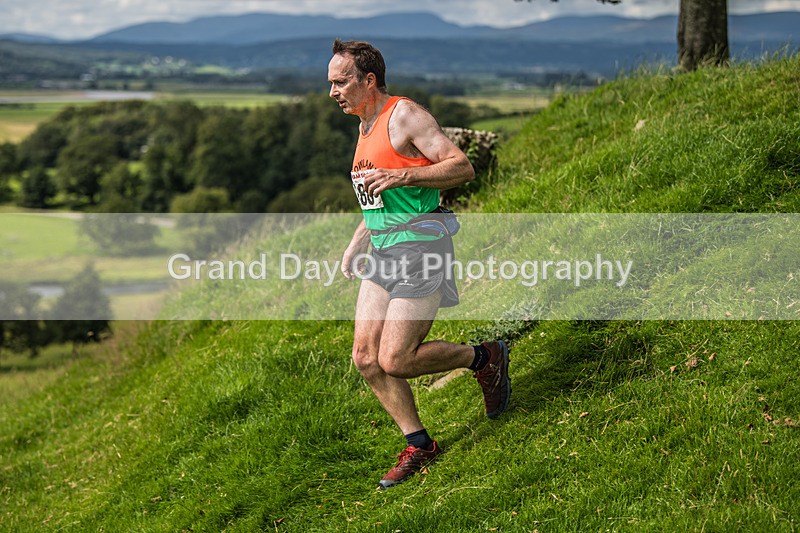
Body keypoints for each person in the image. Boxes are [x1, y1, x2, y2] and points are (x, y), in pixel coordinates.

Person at [328, 39, 511, 489]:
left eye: (340, 81)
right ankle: (420, 444)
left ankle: (485, 358)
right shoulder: (364, 122)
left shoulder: (404, 115)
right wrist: (357, 241)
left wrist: (404, 173)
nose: (332, 91)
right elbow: (379, 197)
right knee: (366, 358)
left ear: (368, 80)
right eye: (329, 82)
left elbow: (462, 167)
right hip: (383, 252)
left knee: (397, 358)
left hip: (422, 248)